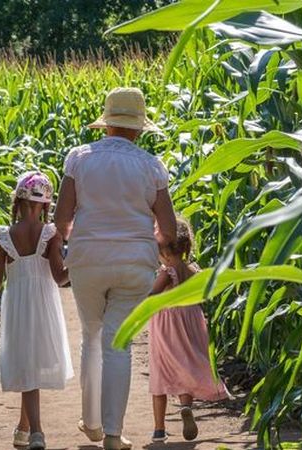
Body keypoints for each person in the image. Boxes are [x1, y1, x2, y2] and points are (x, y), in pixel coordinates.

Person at [55, 87, 178, 450]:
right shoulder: (151, 166)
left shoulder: (79, 158)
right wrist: (147, 243)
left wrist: (74, 246)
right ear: (139, 129)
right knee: (118, 345)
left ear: (106, 123)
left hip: (87, 259)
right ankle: (112, 434)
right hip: (135, 263)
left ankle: (91, 423)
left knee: (91, 336)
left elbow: (62, 219)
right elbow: (168, 229)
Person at [0, 172, 74, 450]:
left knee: (26, 366)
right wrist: (79, 263)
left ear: (17, 202)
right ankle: (25, 429)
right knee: (31, 367)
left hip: (18, 305)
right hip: (44, 306)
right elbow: (60, 278)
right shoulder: (50, 234)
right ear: (45, 205)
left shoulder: (5, 236)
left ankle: (36, 433)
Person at [148, 216, 229, 443]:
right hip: (191, 319)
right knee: (184, 365)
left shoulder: (166, 273)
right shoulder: (193, 270)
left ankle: (159, 430)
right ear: (186, 246)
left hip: (166, 325)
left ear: (162, 250)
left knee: (161, 372)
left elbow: (153, 297)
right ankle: (186, 407)